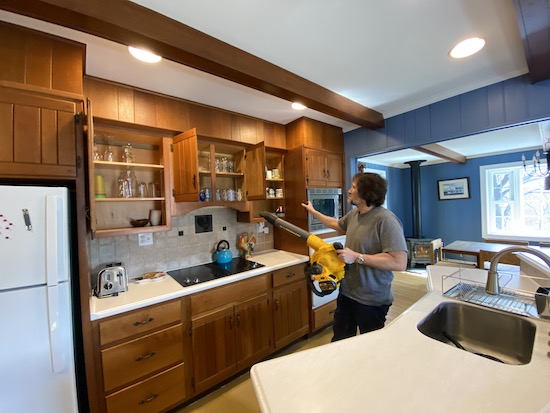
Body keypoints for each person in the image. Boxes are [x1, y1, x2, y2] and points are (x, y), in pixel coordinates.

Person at [302, 172, 408, 341]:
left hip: (371, 300)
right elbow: (335, 224)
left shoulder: (386, 220)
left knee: (369, 348)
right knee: (340, 342)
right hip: (347, 294)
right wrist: (313, 212)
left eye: (353, 187)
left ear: (366, 192)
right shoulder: (354, 214)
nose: (349, 191)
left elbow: (399, 262)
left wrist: (357, 257)